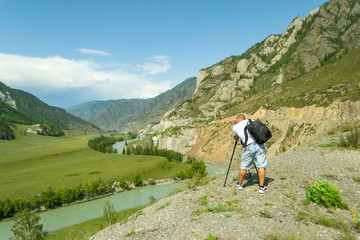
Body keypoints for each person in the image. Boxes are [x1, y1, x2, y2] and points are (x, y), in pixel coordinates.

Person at [232, 114, 267, 194]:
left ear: (237, 119)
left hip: (248, 147)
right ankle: (261, 187)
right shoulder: (251, 120)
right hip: (259, 144)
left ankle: (239, 184)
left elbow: (236, 138)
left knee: (244, 167)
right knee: (261, 166)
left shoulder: (235, 127)